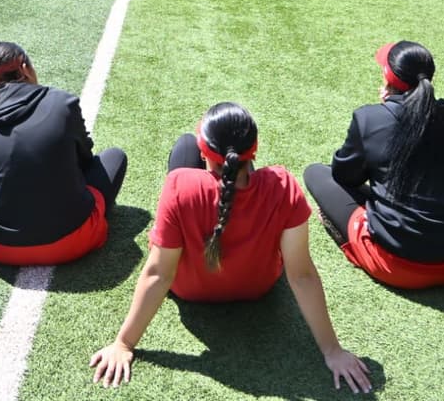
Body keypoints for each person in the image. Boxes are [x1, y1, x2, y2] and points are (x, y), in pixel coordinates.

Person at [88, 102, 372, 393]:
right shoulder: (284, 186)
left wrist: (124, 343)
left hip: (190, 290)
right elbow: (302, 276)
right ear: (254, 149)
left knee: (183, 145)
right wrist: (333, 350)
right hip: (258, 287)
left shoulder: (178, 186)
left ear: (204, 152)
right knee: (233, 172)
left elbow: (159, 274)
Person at [303, 42, 444, 289]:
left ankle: (362, 234)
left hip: (400, 265)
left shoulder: (370, 117)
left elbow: (345, 176)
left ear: (388, 77)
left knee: (316, 173)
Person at [0, 42, 127, 264]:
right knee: (115, 156)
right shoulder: (62, 101)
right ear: (24, 68)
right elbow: (85, 160)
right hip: (70, 242)